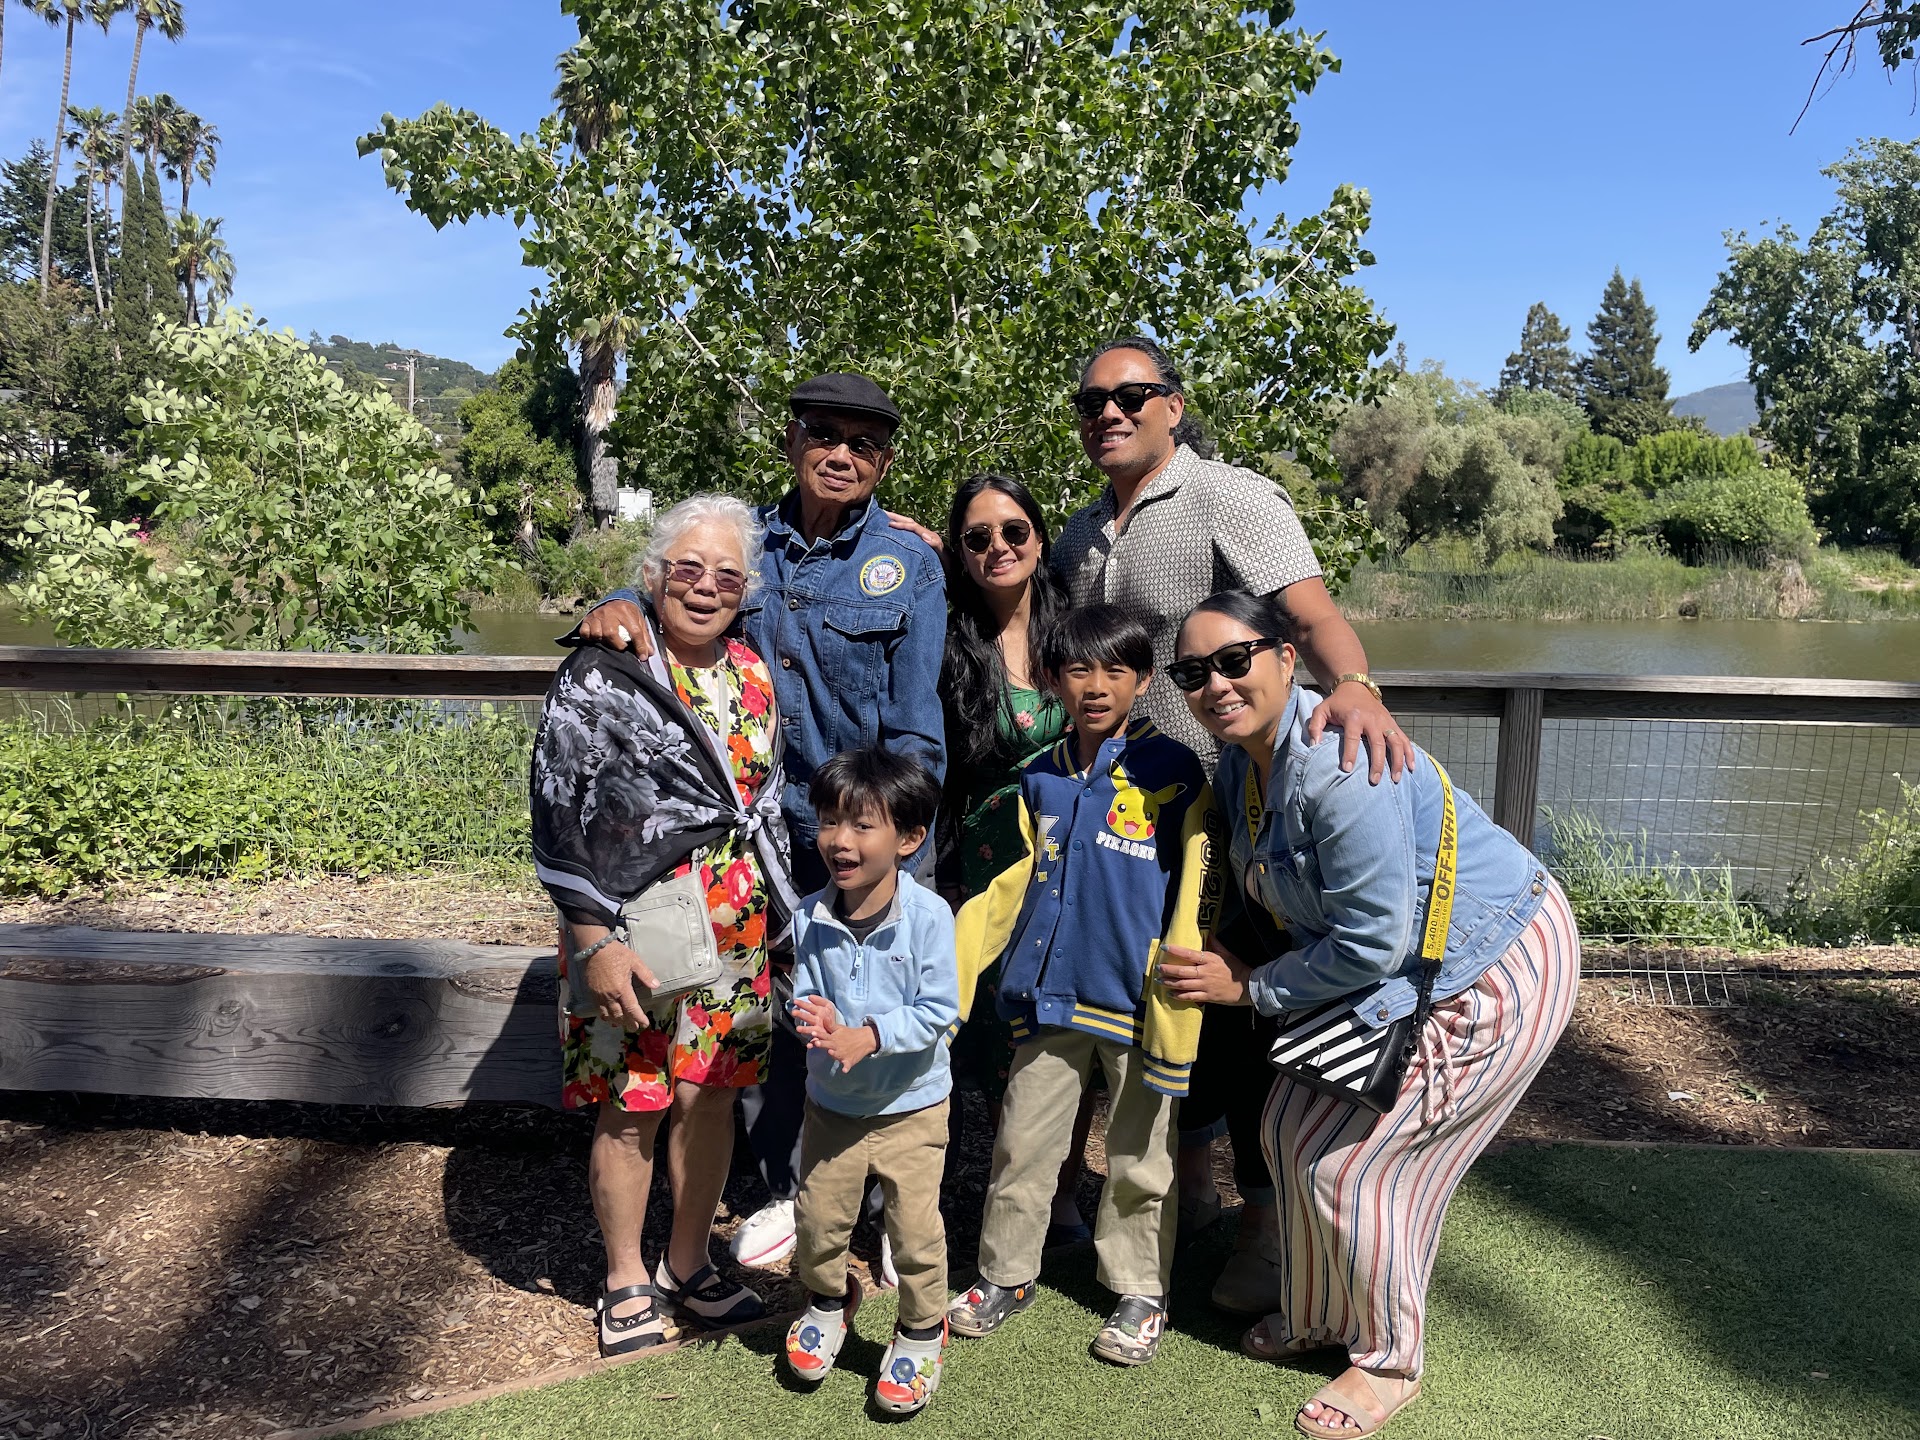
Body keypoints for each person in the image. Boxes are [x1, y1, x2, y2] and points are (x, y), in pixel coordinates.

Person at [1159, 591, 1580, 1439]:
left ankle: (1389, 1360)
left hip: (1491, 963)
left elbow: (1370, 943)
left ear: (1285, 658)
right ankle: (1320, 1314)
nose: (1216, 685)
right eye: (1193, 673)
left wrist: (1251, 988)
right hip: (1399, 975)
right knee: (1286, 1127)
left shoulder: (1337, 767)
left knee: (1355, 1168)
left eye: (1235, 661)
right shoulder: (1243, 764)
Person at [1056, 334, 1413, 1314]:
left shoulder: (1229, 497)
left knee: (1247, 1016)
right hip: (1125, 823)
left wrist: (1358, 684)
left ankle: (1264, 1223)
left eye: (1132, 394)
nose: (1109, 412)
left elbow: (1309, 615)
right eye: (1091, 401)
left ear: (1172, 404)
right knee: (1168, 1007)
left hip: (1232, 822)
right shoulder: (1081, 532)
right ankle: (1197, 1194)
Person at [577, 372, 947, 1272]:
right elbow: (674, 588)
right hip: (759, 845)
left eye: (864, 444)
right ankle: (794, 1188)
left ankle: (891, 1207)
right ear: (791, 439)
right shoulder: (746, 545)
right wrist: (617, 602)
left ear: (884, 463)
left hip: (867, 836)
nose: (841, 454)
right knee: (777, 1021)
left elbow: (917, 733)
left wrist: (891, 850)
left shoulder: (910, 564)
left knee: (883, 1012)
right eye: (823, 433)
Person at [529, 494, 799, 1356]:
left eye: (727, 575)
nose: (706, 586)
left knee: (712, 1095)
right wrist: (592, 941)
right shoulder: (606, 670)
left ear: (747, 591)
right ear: (652, 575)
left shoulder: (753, 673)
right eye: (688, 568)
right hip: (631, 925)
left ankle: (688, 1262)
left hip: (736, 924)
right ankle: (623, 1278)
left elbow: (761, 802)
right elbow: (559, 809)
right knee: (631, 1101)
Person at [947, 605, 1216, 1367]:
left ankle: (1139, 1289)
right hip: (1050, 995)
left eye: (1115, 670)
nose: (1096, 686)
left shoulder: (1175, 772)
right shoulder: (1038, 777)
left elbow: (1198, 888)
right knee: (1021, 1146)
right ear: (1052, 680)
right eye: (1077, 670)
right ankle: (1005, 1273)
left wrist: (1181, 986)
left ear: (1144, 680)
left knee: (1141, 1157)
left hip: (1138, 1000)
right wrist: (955, 979)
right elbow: (1006, 889)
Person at [935, 473, 1094, 1247]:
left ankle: (1060, 1193)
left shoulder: (1079, 630)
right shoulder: (948, 640)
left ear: (1039, 536)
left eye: (1013, 531)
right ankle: (1004, 1197)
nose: (997, 547)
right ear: (960, 553)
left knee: (1070, 1020)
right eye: (977, 537)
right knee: (1002, 1030)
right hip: (992, 859)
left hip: (1081, 856)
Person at [781, 747, 960, 1416]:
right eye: (830, 821)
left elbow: (940, 1011)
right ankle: (830, 1300)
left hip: (913, 1107)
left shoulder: (930, 917)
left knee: (915, 1232)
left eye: (862, 825)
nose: (840, 840)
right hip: (833, 1105)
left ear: (909, 839)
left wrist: (870, 1034)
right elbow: (807, 995)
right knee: (818, 1223)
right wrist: (817, 1018)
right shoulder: (809, 915)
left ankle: (921, 1329)